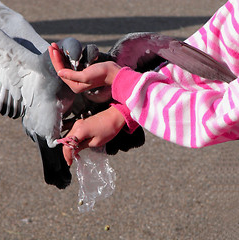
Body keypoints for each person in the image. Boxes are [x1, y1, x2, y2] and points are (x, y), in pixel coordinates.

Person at [49, 0, 239, 166]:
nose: (76, 65)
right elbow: (216, 51)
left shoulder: (121, 56)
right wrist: (122, 112)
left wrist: (120, 81)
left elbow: (225, 113)